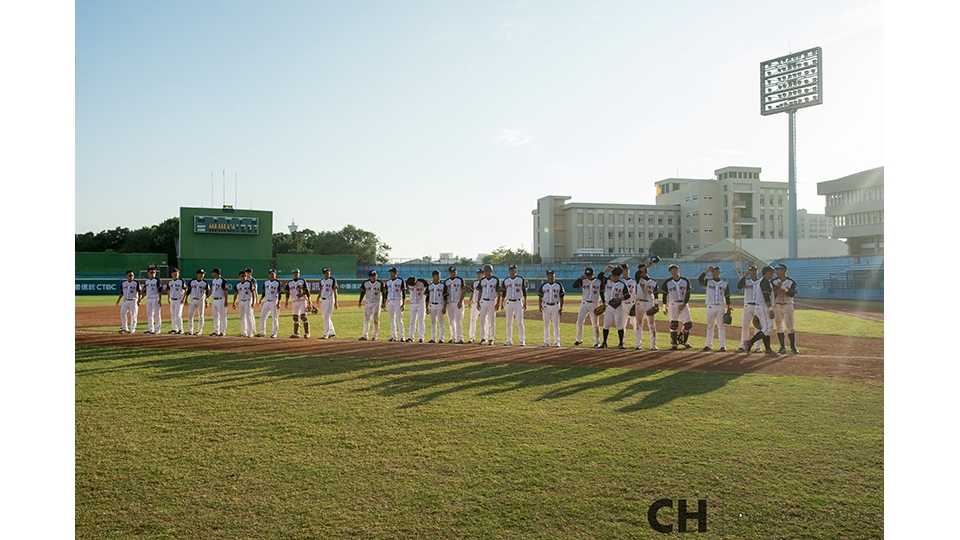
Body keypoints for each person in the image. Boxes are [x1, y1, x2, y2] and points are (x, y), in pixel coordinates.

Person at [742, 266, 778, 354]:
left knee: (766, 329)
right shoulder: (764, 282)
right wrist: (771, 309)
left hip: (761, 307)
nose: (772, 274)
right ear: (766, 273)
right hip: (763, 307)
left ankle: (768, 349)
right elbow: (766, 297)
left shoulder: (764, 281)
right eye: (771, 272)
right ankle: (749, 342)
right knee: (768, 329)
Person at [698, 265, 732, 351]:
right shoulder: (708, 282)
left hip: (721, 307)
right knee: (710, 326)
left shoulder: (724, 284)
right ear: (711, 273)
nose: (715, 273)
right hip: (710, 306)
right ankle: (708, 345)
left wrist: (729, 307)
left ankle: (722, 345)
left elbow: (727, 296)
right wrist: (707, 270)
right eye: (713, 272)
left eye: (716, 271)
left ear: (719, 273)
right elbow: (700, 279)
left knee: (721, 326)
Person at [660, 264, 693, 350]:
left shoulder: (685, 280)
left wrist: (684, 304)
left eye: (674, 270)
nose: (673, 272)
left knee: (688, 325)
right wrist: (664, 307)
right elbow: (664, 295)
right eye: (671, 271)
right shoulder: (667, 282)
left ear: (678, 270)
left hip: (683, 303)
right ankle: (674, 344)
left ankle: (683, 340)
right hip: (673, 304)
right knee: (674, 324)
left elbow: (688, 293)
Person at [597, 265, 630, 349]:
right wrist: (606, 269)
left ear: (617, 276)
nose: (610, 276)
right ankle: (604, 343)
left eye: (612, 275)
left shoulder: (622, 285)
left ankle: (621, 343)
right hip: (608, 306)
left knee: (619, 325)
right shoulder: (608, 281)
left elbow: (627, 296)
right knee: (606, 324)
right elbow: (599, 276)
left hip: (618, 307)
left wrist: (620, 298)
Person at [771, 263, 799, 354]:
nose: (776, 271)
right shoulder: (774, 281)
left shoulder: (791, 282)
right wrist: (778, 290)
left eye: (778, 269)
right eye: (776, 269)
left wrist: (784, 289)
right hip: (777, 305)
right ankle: (782, 347)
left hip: (787, 305)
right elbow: (771, 294)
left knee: (790, 327)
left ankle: (793, 346)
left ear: (784, 271)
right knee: (779, 326)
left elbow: (792, 294)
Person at [736, 265, 764, 352]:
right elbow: (739, 286)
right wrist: (744, 276)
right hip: (748, 305)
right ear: (749, 272)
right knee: (745, 326)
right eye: (751, 270)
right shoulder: (746, 281)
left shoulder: (761, 281)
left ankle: (757, 346)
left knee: (758, 327)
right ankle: (743, 345)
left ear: (757, 271)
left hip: (758, 306)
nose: (753, 272)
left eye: (755, 270)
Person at [572, 267, 602, 347]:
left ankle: (596, 342)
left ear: (593, 274)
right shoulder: (583, 281)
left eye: (589, 275)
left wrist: (604, 303)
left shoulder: (599, 281)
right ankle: (579, 339)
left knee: (595, 324)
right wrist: (579, 278)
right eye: (587, 275)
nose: (588, 277)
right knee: (579, 321)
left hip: (594, 304)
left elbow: (602, 293)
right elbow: (574, 286)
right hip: (584, 303)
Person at [633, 260, 659, 350]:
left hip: (649, 303)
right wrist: (647, 266)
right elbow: (637, 273)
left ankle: (653, 345)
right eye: (640, 269)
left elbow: (656, 294)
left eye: (642, 269)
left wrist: (656, 304)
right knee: (638, 324)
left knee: (651, 324)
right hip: (639, 303)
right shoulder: (638, 279)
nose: (641, 271)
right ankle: (638, 344)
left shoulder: (654, 281)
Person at [500, 264, 527, 346]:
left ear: (516, 271)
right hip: (509, 302)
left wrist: (525, 302)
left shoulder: (520, 279)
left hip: (518, 302)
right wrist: (502, 303)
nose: (512, 272)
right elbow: (503, 293)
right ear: (509, 271)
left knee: (520, 322)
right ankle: (508, 339)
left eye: (513, 270)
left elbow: (524, 292)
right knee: (508, 322)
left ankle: (522, 340)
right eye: (510, 270)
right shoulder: (506, 280)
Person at [538, 269, 564, 347]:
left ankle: (556, 342)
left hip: (556, 306)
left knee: (556, 325)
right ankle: (546, 341)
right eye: (549, 275)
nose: (550, 276)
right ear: (547, 276)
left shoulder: (558, 285)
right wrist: (539, 305)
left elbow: (562, 297)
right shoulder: (544, 285)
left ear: (554, 275)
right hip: (546, 306)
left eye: (552, 275)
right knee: (546, 325)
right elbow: (540, 296)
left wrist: (561, 308)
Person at [476, 264, 501, 345]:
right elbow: (480, 291)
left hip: (492, 301)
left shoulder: (495, 280)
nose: (485, 272)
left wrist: (498, 303)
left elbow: (498, 292)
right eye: (485, 271)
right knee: (482, 320)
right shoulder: (482, 280)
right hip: (483, 301)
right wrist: (478, 302)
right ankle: (483, 338)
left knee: (492, 321)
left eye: (487, 271)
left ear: (490, 271)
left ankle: (491, 338)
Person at [284, 268, 312, 338]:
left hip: (302, 301)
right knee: (295, 317)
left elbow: (307, 291)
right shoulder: (289, 283)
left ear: (299, 274)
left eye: (297, 273)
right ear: (292, 274)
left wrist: (309, 300)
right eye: (294, 273)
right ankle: (296, 333)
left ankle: (307, 333)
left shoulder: (302, 281)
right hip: (294, 302)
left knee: (303, 316)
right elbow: (287, 293)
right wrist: (286, 301)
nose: (296, 274)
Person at [358, 270, 384, 341]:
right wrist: (360, 301)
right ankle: (364, 335)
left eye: (375, 275)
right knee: (366, 319)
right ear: (369, 277)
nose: (374, 277)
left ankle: (374, 336)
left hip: (377, 302)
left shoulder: (380, 283)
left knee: (375, 320)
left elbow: (384, 293)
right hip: (368, 303)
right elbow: (362, 292)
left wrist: (384, 303)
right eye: (372, 276)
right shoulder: (366, 283)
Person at [257, 268, 282, 338]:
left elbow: (280, 293)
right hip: (266, 301)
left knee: (275, 318)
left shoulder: (278, 283)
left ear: (275, 275)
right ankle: (262, 332)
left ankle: (274, 333)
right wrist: (261, 299)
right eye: (270, 274)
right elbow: (264, 292)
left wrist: (279, 302)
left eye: (273, 274)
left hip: (274, 302)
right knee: (262, 316)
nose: (271, 275)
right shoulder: (266, 282)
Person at [384, 267, 406, 342]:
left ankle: (402, 336)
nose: (390, 273)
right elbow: (386, 293)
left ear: (396, 273)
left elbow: (403, 292)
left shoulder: (400, 280)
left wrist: (403, 303)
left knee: (399, 319)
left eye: (392, 272)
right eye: (390, 272)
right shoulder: (388, 282)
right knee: (392, 319)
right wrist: (384, 303)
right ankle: (394, 336)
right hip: (390, 301)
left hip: (398, 301)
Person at [444, 266, 466, 344]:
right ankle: (453, 337)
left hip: (457, 303)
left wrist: (460, 301)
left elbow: (464, 290)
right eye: (452, 272)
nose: (453, 273)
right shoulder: (446, 281)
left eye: (454, 271)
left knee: (458, 321)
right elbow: (445, 293)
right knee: (451, 321)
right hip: (449, 303)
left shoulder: (460, 280)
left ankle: (460, 337)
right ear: (449, 273)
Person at [185, 269, 210, 335]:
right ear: (197, 274)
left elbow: (208, 291)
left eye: (203, 274)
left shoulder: (205, 283)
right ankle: (190, 330)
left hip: (201, 300)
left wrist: (207, 300)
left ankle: (199, 331)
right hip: (193, 300)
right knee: (190, 315)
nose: (202, 275)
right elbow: (188, 291)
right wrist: (185, 299)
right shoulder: (192, 281)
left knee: (201, 316)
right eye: (200, 273)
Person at [316, 267, 339, 339]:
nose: (326, 274)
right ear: (323, 273)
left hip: (330, 299)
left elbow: (335, 292)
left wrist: (336, 302)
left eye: (328, 272)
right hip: (323, 300)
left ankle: (326, 333)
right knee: (325, 317)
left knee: (326, 317)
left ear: (330, 272)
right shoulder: (322, 281)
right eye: (325, 273)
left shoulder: (332, 280)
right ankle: (332, 331)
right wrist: (318, 297)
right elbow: (321, 290)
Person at [232, 270, 256, 337]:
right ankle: (243, 332)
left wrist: (253, 302)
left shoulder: (250, 283)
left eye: (245, 275)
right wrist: (234, 302)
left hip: (248, 301)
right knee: (242, 317)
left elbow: (253, 292)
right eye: (243, 276)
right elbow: (236, 293)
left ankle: (250, 332)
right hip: (241, 302)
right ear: (239, 277)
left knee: (249, 317)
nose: (244, 277)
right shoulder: (237, 284)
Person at [406, 275, 429, 342]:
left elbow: (429, 287)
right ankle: (410, 337)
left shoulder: (423, 282)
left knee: (421, 321)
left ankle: (421, 337)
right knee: (412, 321)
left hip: (421, 303)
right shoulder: (408, 283)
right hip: (413, 304)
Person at [426, 270, 447, 343]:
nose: (438, 277)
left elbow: (445, 298)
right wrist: (426, 307)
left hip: (440, 305)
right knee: (433, 323)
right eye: (436, 276)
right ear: (433, 276)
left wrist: (444, 307)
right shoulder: (430, 286)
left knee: (441, 323)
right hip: (432, 305)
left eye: (439, 275)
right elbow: (427, 297)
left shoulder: (443, 285)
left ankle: (441, 338)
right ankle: (433, 338)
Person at [141, 266, 163, 334]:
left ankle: (157, 329)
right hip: (149, 299)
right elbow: (145, 291)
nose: (152, 273)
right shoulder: (147, 281)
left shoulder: (157, 280)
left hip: (155, 298)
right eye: (151, 272)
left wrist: (160, 300)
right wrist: (141, 299)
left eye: (154, 272)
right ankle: (150, 329)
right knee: (149, 314)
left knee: (157, 314)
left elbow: (160, 290)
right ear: (148, 273)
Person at [165, 267, 186, 334]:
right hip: (172, 300)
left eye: (176, 273)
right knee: (173, 315)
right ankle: (174, 328)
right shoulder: (170, 282)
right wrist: (168, 298)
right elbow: (168, 290)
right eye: (174, 273)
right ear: (171, 274)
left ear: (178, 274)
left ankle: (181, 329)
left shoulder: (181, 281)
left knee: (178, 315)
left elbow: (186, 290)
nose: (175, 275)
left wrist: (183, 299)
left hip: (179, 300)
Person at [208, 267, 228, 336]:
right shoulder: (213, 280)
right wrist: (207, 297)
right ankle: (216, 331)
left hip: (221, 300)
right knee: (215, 316)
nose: (212, 274)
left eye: (213, 272)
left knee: (223, 316)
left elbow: (225, 291)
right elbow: (211, 290)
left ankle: (223, 331)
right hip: (214, 300)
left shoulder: (222, 280)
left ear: (216, 273)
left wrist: (226, 301)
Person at [466, 268, 483, 343]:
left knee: (484, 321)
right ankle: (471, 337)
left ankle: (484, 337)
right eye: (478, 273)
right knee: (472, 320)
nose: (479, 275)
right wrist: (469, 301)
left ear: (484, 274)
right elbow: (472, 292)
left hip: (484, 303)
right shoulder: (475, 283)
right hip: (475, 303)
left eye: (480, 273)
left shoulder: (486, 282)